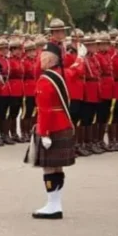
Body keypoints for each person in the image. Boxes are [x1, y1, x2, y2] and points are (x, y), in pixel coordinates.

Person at [30, 43, 75, 220]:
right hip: (63, 123)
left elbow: (45, 109)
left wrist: (45, 132)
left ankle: (52, 204)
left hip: (51, 126)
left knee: (49, 167)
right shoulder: (59, 76)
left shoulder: (45, 79)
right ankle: (56, 203)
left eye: (43, 56)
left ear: (50, 59)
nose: (40, 60)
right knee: (57, 166)